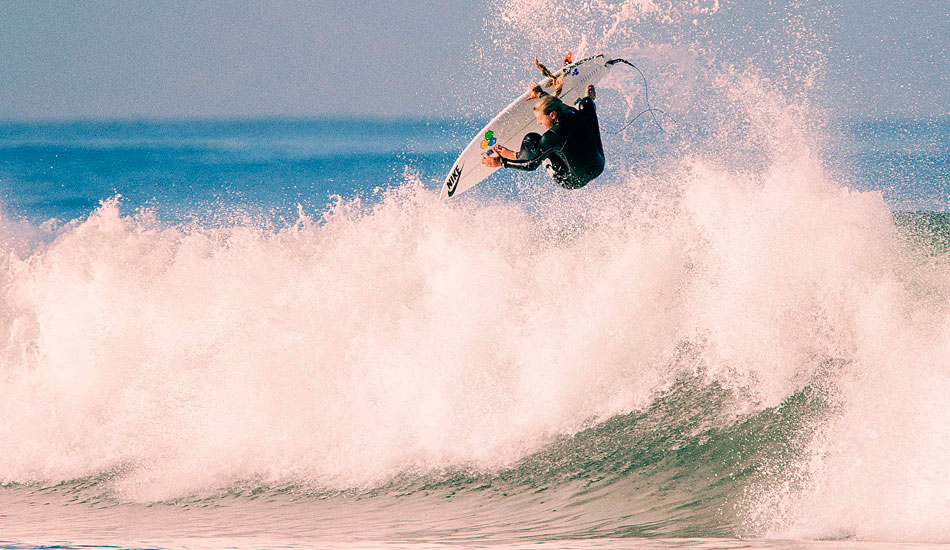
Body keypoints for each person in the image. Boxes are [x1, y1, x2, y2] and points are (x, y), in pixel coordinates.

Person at [481, 83, 605, 189]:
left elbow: (531, 165)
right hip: (599, 166)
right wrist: (541, 94)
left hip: (573, 181)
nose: (538, 123)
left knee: (531, 140)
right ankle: (589, 99)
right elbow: (558, 104)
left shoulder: (551, 137)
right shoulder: (572, 112)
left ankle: (516, 155)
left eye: (540, 118)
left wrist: (502, 162)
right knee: (586, 104)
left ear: (552, 115)